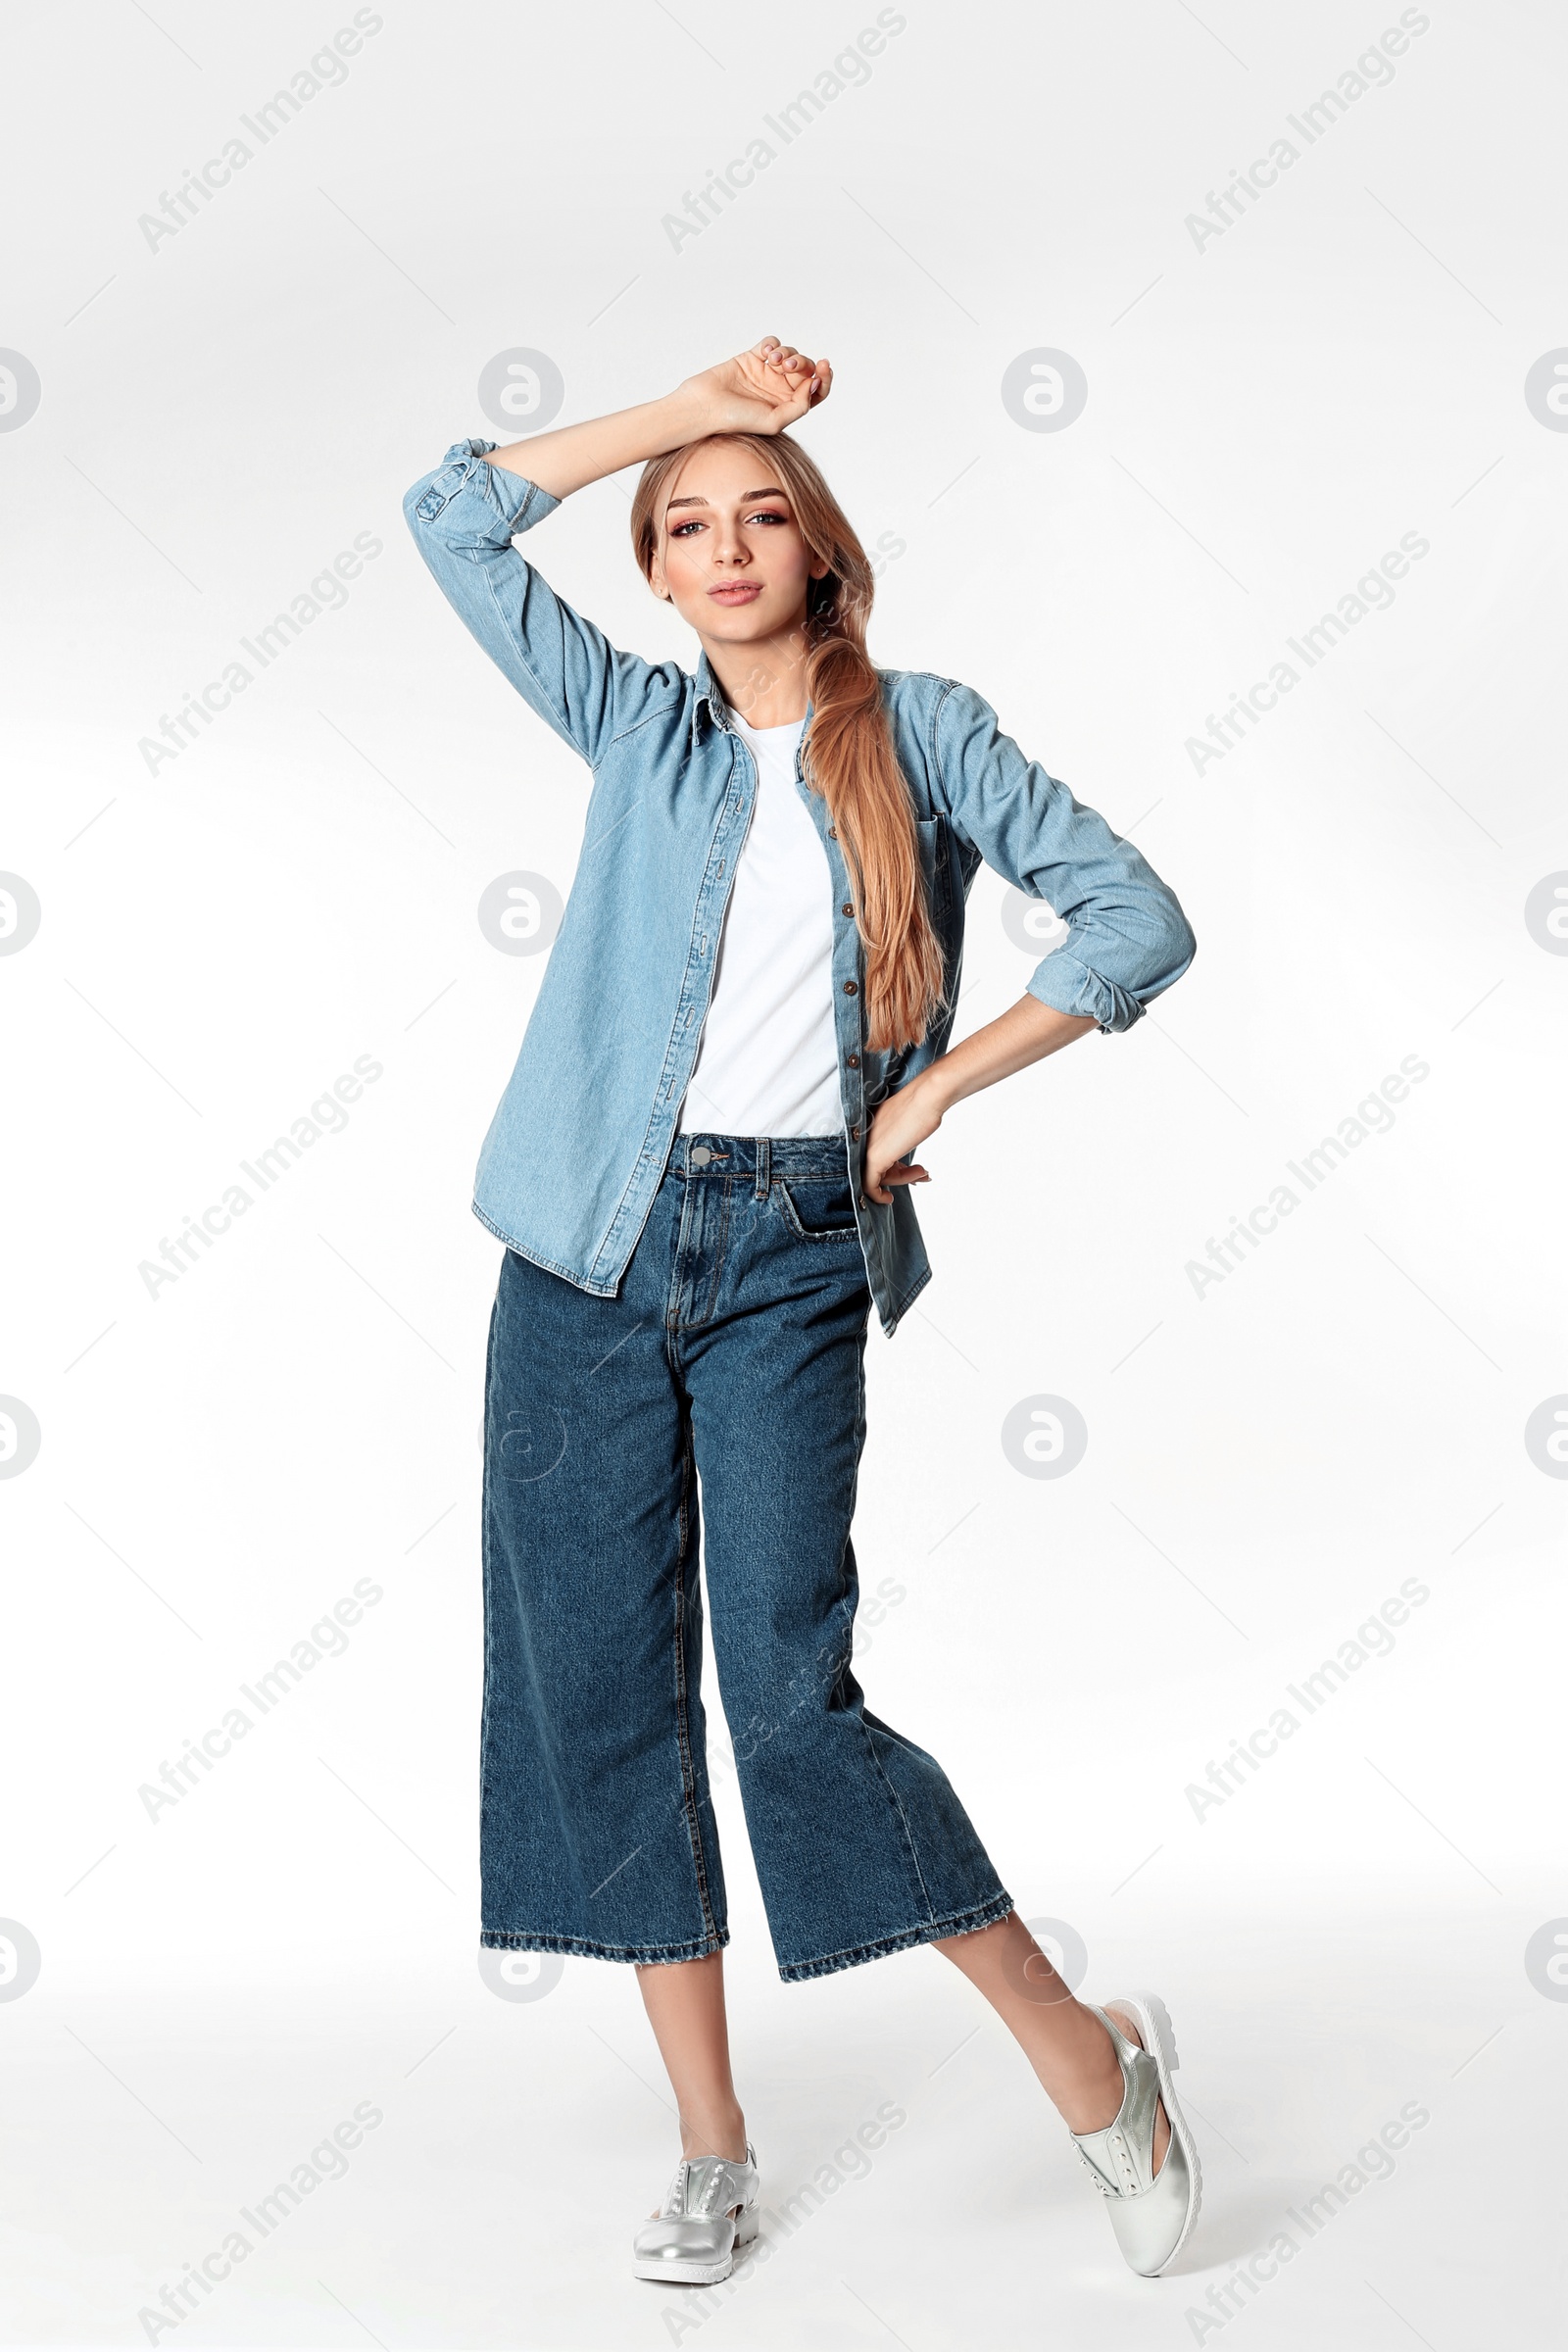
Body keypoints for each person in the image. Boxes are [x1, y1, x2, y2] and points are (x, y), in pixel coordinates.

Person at [403, 337, 1201, 2285]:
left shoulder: (916, 730)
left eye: (763, 510)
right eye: (688, 523)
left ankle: (1078, 2050)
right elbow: (447, 509)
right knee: (600, 1698)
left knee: (785, 1696)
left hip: (782, 1254)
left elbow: (1134, 915)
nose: (726, 538)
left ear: (819, 550)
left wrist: (930, 1086)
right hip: (581, 1260)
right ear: (657, 573)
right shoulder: (636, 727)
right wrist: (686, 403)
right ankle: (709, 2149)